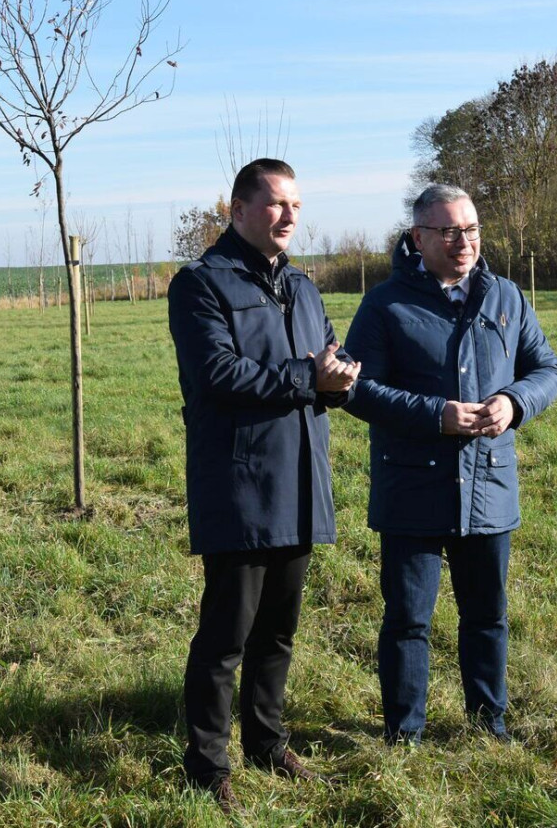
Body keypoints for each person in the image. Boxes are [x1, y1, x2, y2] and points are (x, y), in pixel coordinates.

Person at [167, 158, 360, 814]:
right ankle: (207, 762)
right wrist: (310, 379)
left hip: (302, 481)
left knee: (278, 631)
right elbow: (219, 374)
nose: (289, 217)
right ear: (239, 209)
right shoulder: (201, 285)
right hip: (241, 486)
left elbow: (326, 356)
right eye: (277, 204)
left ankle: (267, 743)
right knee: (226, 636)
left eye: (297, 206)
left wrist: (336, 375)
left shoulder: (303, 289)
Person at [343, 183, 557, 744]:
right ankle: (404, 734)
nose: (463, 242)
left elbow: (547, 371)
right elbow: (357, 390)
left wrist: (515, 403)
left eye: (471, 229)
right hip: (411, 489)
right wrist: (434, 415)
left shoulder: (506, 297)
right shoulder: (385, 304)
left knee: (487, 616)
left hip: (489, 484)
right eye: (448, 231)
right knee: (409, 621)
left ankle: (490, 724)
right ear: (418, 237)